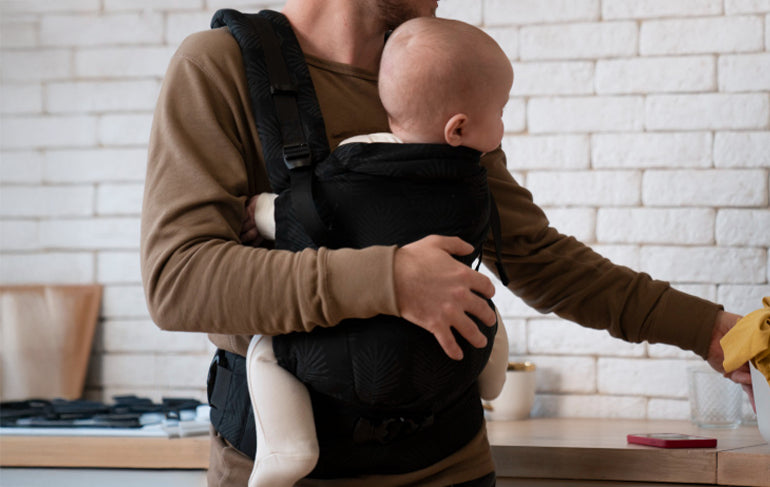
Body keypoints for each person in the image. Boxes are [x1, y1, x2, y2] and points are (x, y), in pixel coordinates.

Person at [140, 1, 751, 486]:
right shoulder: (219, 66)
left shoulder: (430, 76)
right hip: (291, 470)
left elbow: (536, 256)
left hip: (451, 465)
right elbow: (178, 280)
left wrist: (711, 331)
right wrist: (393, 279)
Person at [242, 17, 513, 487]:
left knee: (265, 348)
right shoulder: (472, 182)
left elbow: (300, 213)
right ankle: (493, 377)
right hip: (446, 356)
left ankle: (289, 447)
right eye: (502, 111)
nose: (505, 124)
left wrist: (260, 210)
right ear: (458, 128)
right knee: (478, 294)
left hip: (341, 357)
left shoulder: (355, 165)